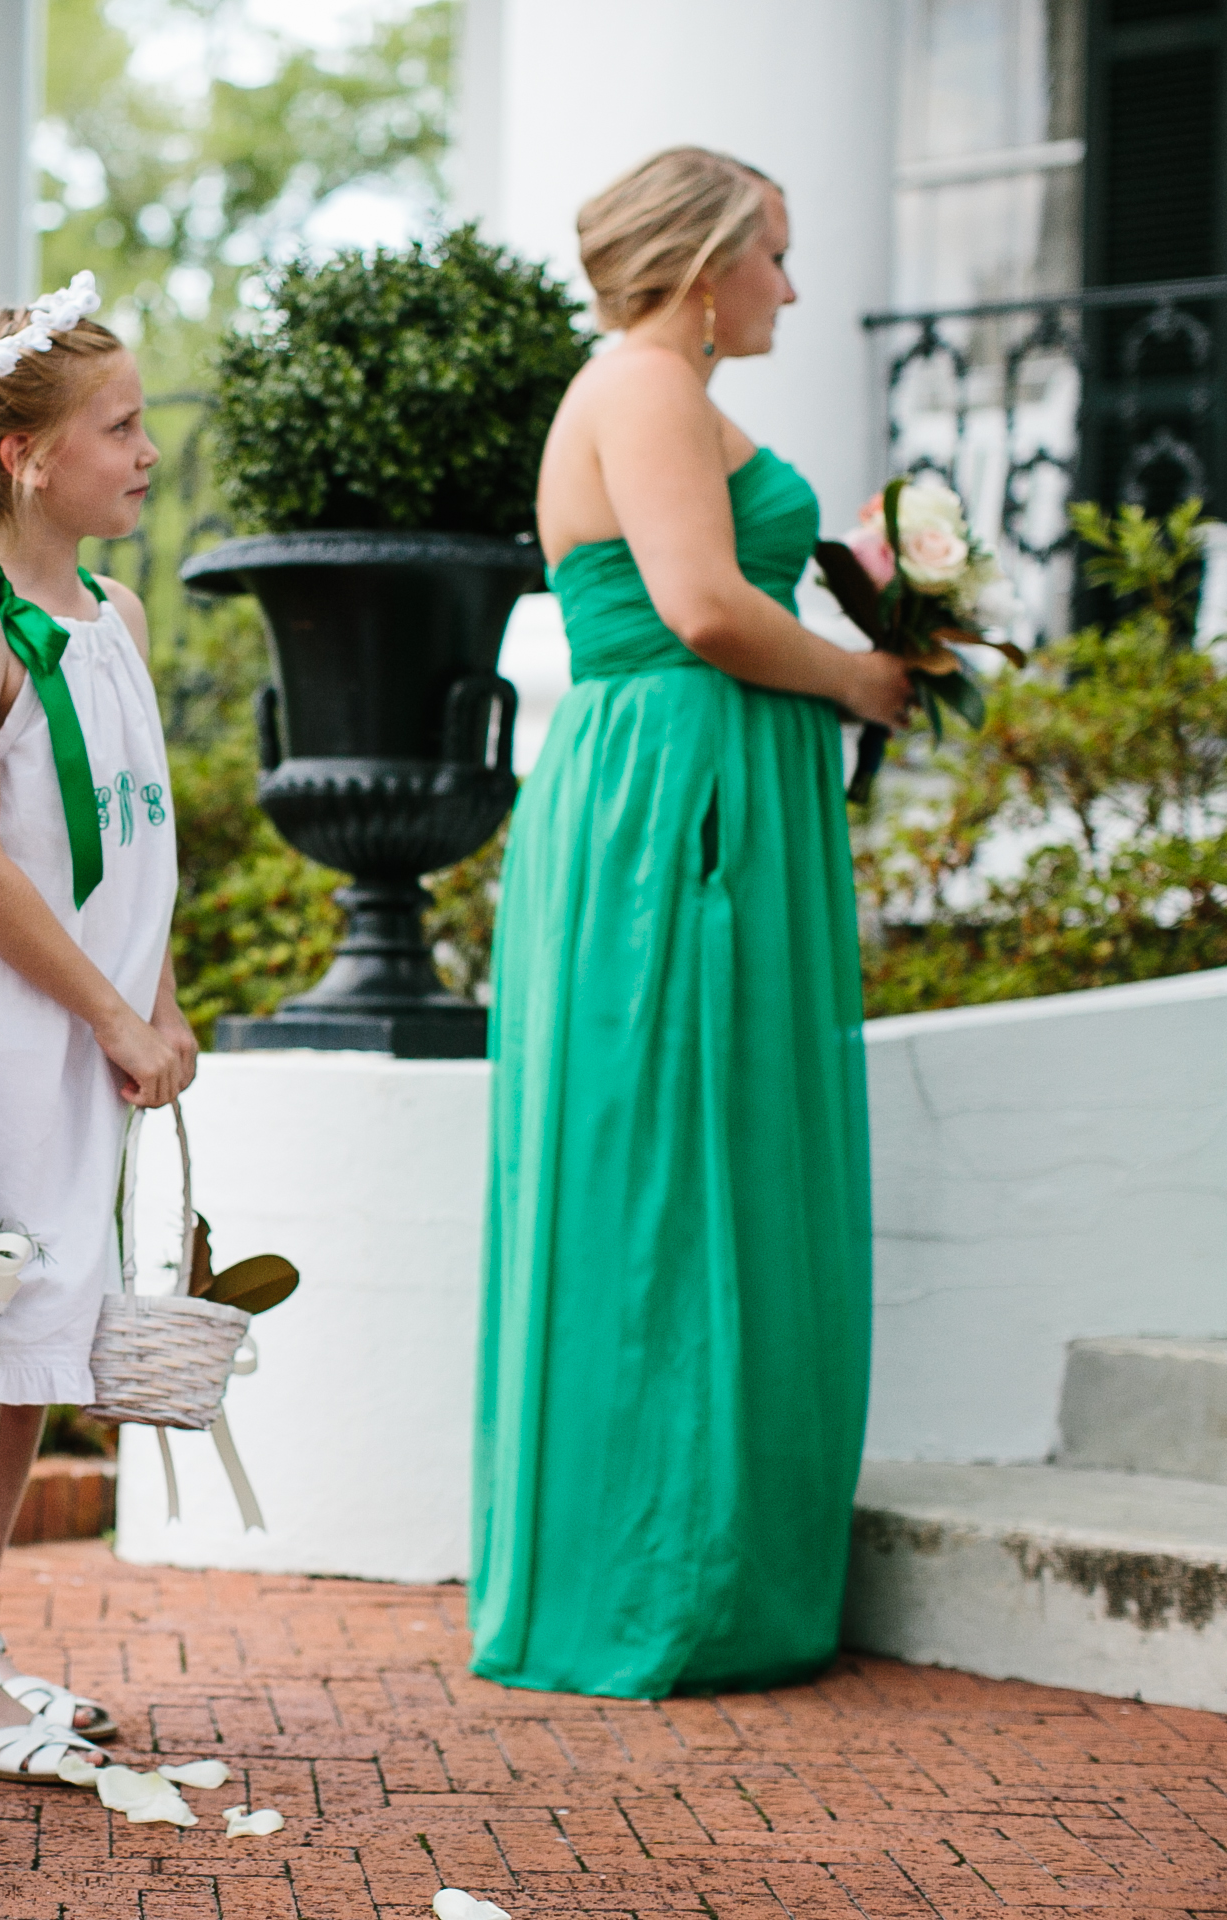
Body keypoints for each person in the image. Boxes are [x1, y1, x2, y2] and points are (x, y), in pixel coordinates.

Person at [471, 147, 927, 1699]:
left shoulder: (663, 387)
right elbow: (704, 609)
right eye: (776, 256)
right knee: (668, 1168)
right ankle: (661, 1585)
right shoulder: (647, 381)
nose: (790, 288)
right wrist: (869, 677)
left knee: (705, 1162)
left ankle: (709, 1562)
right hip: (679, 805)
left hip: (701, 784)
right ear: (706, 260)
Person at [0, 273, 189, 1780]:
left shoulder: (116, 611)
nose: (146, 451)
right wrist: (106, 1016)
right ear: (25, 457)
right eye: (120, 427)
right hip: (3, 1037)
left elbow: (141, 840)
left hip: (92, 1033)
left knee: (46, 1334)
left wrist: (162, 1002)